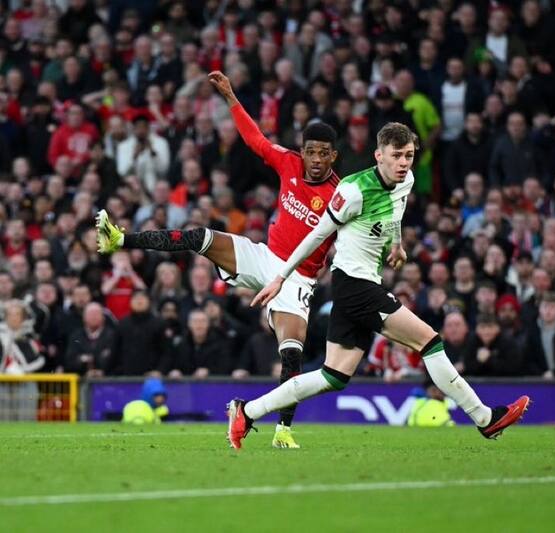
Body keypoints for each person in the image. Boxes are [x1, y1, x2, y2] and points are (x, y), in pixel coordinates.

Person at [232, 122, 529, 449]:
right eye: (396, 156)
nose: (403, 163)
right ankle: (485, 418)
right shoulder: (353, 190)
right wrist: (280, 277)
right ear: (379, 156)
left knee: (333, 376)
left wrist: (397, 244)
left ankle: (248, 411)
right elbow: (316, 235)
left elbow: (396, 210)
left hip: (361, 284)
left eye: (409, 156)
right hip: (354, 285)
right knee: (429, 341)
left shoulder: (406, 180)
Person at [95, 71, 341, 450]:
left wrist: (391, 243)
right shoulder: (289, 163)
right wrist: (230, 97)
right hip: (264, 257)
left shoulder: (341, 194)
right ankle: (120, 239)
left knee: (292, 354)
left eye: (324, 153)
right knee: (200, 236)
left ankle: (282, 430)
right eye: (311, 151)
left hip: (297, 280)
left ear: (333, 156)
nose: (317, 159)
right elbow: (255, 139)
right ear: (303, 151)